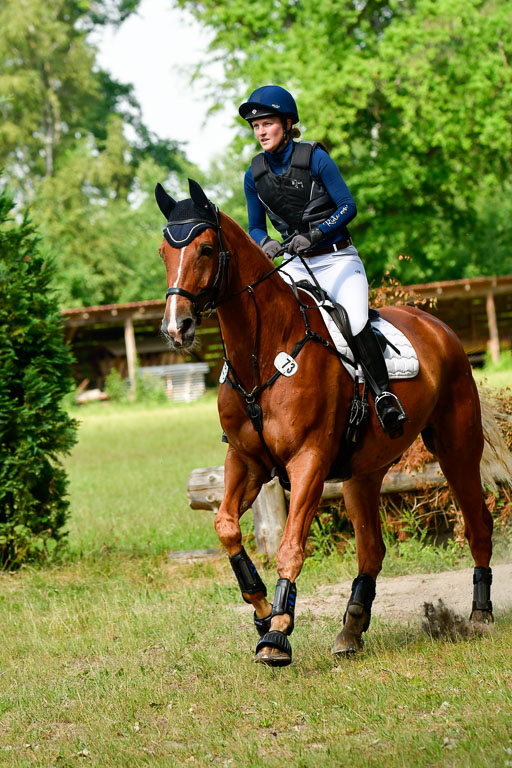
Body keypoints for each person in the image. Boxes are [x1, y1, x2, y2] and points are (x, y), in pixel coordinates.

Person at [239, 84, 407, 438]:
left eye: (267, 123)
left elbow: (348, 206)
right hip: (296, 267)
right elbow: (254, 227)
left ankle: (384, 397)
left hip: (338, 259)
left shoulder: (315, 157)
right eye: (256, 127)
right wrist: (265, 241)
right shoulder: (253, 176)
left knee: (356, 321)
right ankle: (254, 405)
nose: (261, 132)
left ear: (287, 123)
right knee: (270, 321)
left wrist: (314, 235)